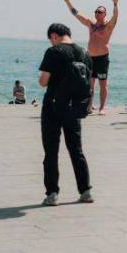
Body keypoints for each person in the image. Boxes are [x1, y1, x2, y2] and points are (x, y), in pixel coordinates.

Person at [38, 23, 93, 206]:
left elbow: (43, 81)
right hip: (75, 107)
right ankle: (85, 191)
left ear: (54, 36)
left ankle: (52, 193)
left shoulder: (53, 52)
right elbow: (88, 83)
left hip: (53, 107)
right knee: (76, 150)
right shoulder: (84, 53)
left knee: (51, 151)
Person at [63, 0, 119, 115]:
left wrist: (115, 4)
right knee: (89, 83)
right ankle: (89, 105)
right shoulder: (91, 24)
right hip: (90, 58)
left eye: (100, 12)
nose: (97, 13)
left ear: (104, 14)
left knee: (103, 83)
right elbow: (76, 14)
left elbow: (115, 17)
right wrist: (68, 2)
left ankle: (102, 107)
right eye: (96, 12)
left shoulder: (108, 26)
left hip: (103, 58)